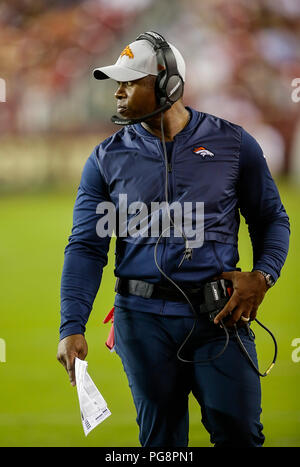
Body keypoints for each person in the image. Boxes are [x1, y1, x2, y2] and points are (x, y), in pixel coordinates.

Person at [56, 32, 290, 447]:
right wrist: (71, 324)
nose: (119, 92)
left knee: (240, 435)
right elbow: (86, 248)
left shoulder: (234, 144)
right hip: (141, 319)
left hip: (220, 316)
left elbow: (271, 218)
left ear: (168, 85)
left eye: (130, 81)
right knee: (161, 444)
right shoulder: (105, 157)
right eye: (117, 83)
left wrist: (264, 275)